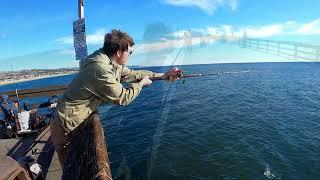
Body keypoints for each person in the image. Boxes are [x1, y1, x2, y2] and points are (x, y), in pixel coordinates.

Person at [50, 29, 181, 170]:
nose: (130, 55)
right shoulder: (100, 69)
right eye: (129, 52)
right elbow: (123, 98)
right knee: (70, 169)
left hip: (73, 120)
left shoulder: (109, 61)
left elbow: (133, 74)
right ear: (119, 52)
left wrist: (163, 75)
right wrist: (140, 85)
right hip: (65, 125)